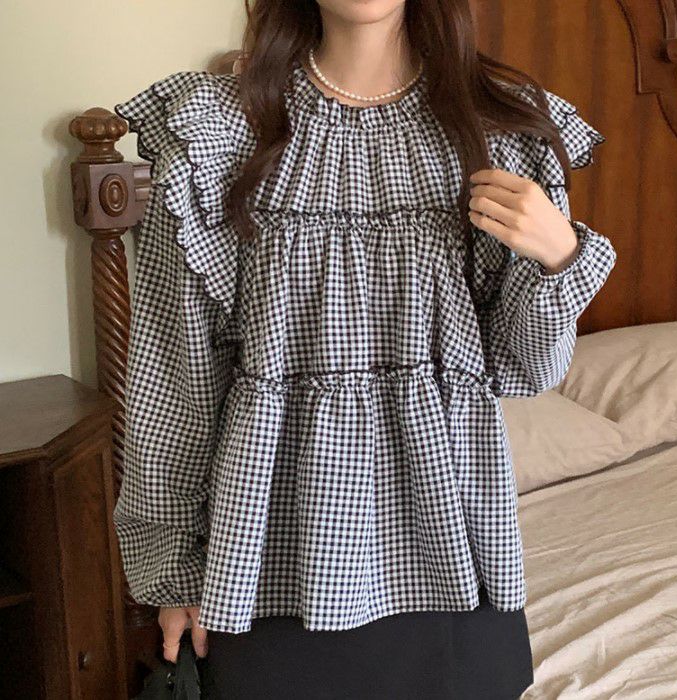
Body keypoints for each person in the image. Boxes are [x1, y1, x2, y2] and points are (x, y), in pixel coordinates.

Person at [113, 1, 617, 697]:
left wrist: (561, 259)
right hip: (269, 560)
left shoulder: (497, 128)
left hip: (453, 552)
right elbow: (173, 384)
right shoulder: (218, 130)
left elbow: (526, 368)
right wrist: (173, 572)